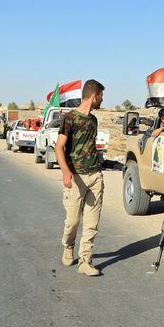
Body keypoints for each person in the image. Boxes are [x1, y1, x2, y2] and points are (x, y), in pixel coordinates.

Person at [55, 79, 105, 276]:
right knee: (72, 221)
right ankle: (68, 245)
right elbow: (59, 147)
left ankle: (85, 260)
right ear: (94, 95)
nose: (102, 100)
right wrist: (66, 172)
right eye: (101, 96)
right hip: (76, 178)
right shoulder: (69, 118)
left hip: (95, 175)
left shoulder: (93, 120)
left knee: (92, 223)